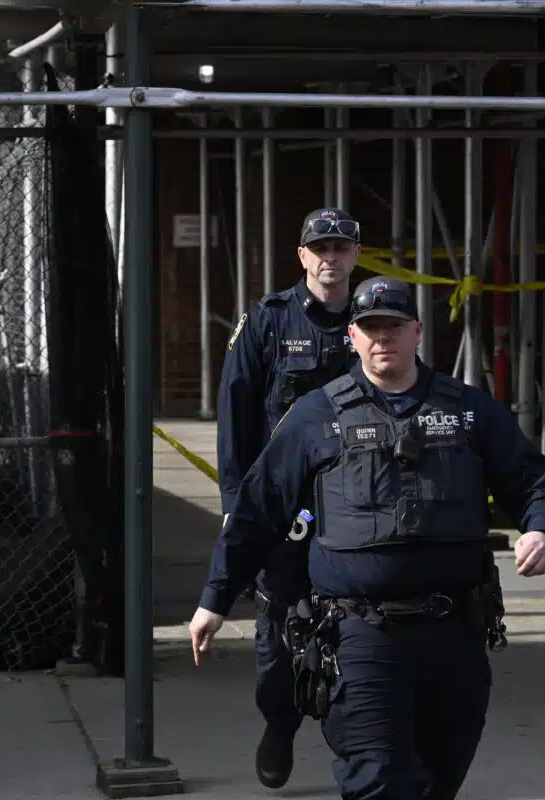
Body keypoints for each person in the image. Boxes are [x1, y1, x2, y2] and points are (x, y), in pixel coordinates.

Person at [193, 276, 545, 799]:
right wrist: (215, 597)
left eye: (393, 326)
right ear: (352, 336)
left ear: (417, 332)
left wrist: (542, 530)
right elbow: (258, 511)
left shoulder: (468, 411)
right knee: (380, 778)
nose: (382, 338)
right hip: (362, 636)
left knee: (441, 775)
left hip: (455, 634)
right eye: (369, 328)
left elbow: (533, 481)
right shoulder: (316, 416)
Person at [215, 207, 361, 788]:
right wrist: (237, 501)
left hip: (354, 501)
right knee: (279, 631)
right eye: (319, 248)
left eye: (341, 248)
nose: (330, 258)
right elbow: (236, 413)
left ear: (356, 256)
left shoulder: (375, 320)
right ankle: (280, 723)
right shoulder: (268, 321)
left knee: (363, 627)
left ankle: (358, 744)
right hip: (284, 507)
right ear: (302, 257)